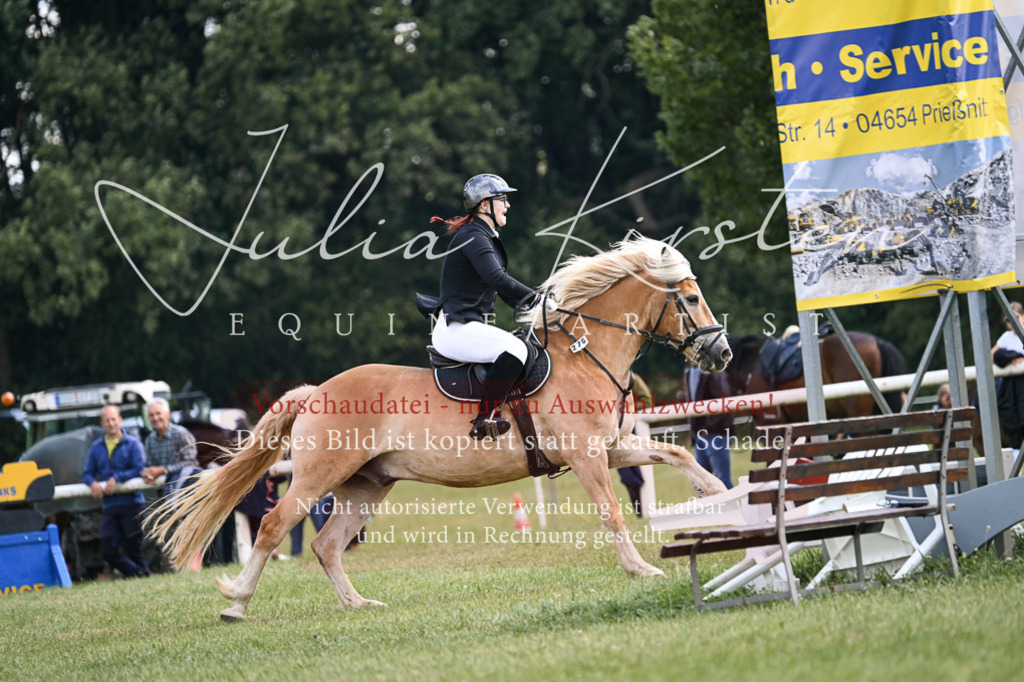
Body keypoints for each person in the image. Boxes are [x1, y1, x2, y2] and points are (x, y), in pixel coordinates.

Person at [430, 173, 555, 439]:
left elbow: (501, 288)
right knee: (515, 349)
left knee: (520, 345)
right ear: (485, 205)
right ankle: (485, 418)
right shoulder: (473, 236)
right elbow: (497, 278)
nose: (507, 205)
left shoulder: (482, 235)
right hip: (456, 329)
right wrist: (536, 298)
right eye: (503, 200)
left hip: (467, 326)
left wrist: (537, 307)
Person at [81, 405, 149, 578]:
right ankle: (139, 573)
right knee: (108, 550)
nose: (111, 423)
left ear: (120, 420)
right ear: (102, 423)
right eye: (107, 420)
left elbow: (139, 468)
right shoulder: (96, 447)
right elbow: (87, 473)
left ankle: (140, 575)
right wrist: (92, 483)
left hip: (132, 503)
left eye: (113, 419)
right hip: (109, 505)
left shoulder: (133, 443)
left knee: (134, 547)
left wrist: (117, 478)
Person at [682, 363, 734, 490]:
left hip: (715, 433)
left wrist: (709, 428)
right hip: (699, 435)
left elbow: (722, 399)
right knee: (700, 483)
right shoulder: (689, 372)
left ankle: (731, 504)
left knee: (722, 480)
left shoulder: (714, 371)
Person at [141, 398, 202, 497]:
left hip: (187, 494)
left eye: (158, 413)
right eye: (151, 415)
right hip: (163, 496)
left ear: (168, 413)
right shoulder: (150, 439)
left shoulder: (181, 434)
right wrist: (146, 473)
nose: (155, 418)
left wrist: (164, 470)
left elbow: (191, 463)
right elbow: (148, 465)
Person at [991, 301, 1024, 449]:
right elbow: (991, 356)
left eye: (1015, 317)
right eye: (1008, 319)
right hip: (1012, 387)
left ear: (1023, 316)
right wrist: (1011, 358)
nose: (1012, 322)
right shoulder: (1006, 337)